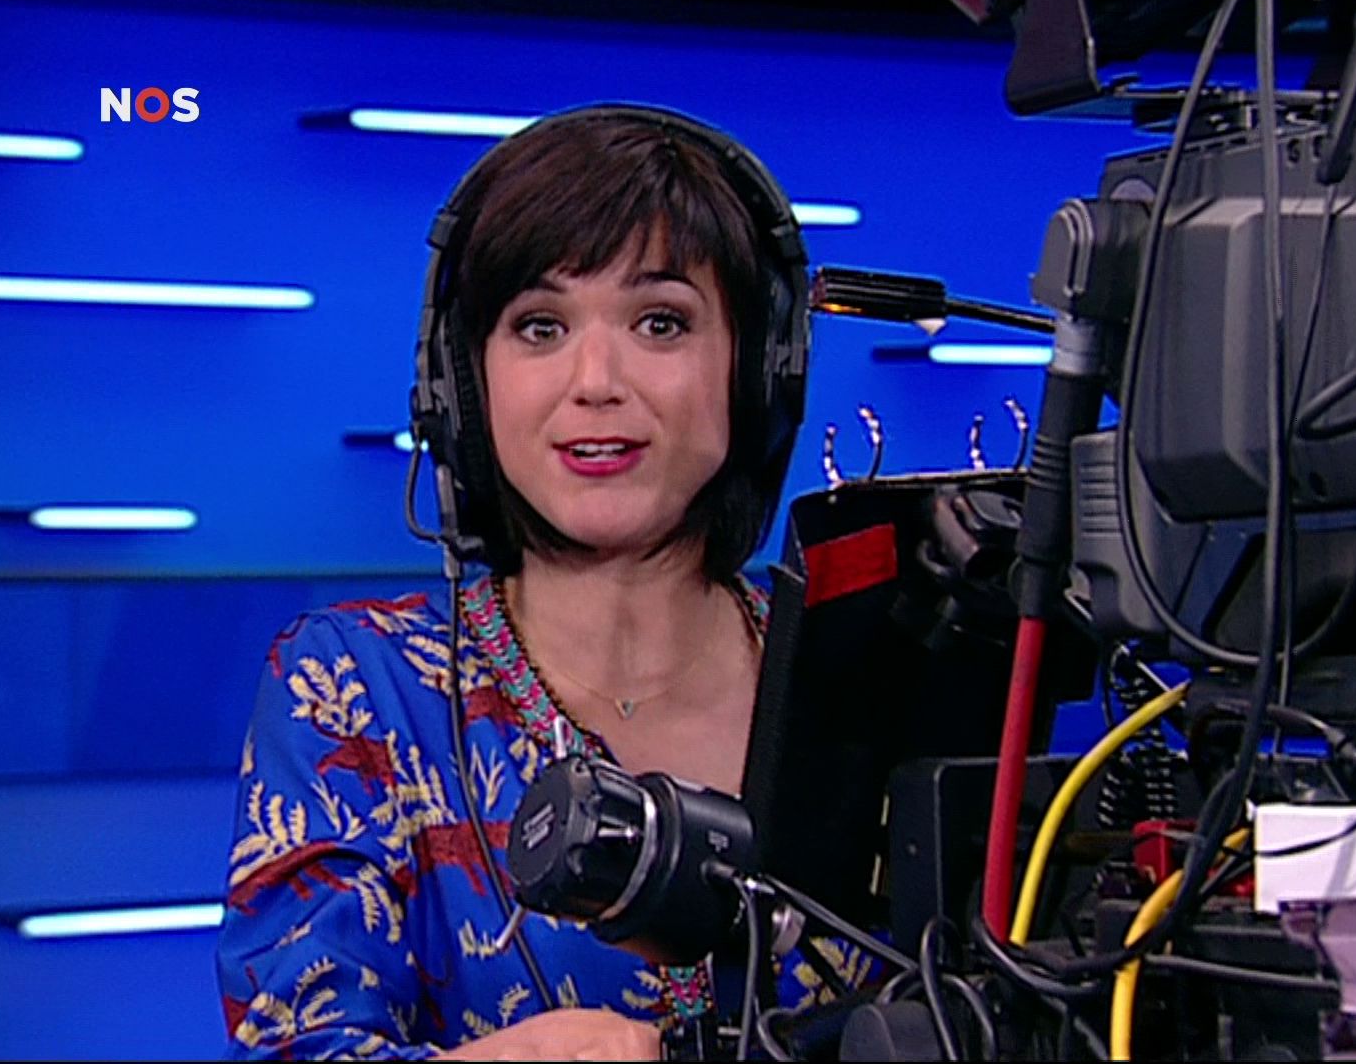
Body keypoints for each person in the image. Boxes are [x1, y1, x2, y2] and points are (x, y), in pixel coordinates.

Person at [216, 105, 870, 1059]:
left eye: (660, 322)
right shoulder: (353, 688)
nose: (595, 380)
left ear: (758, 371)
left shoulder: (857, 679)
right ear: (463, 386)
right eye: (539, 326)